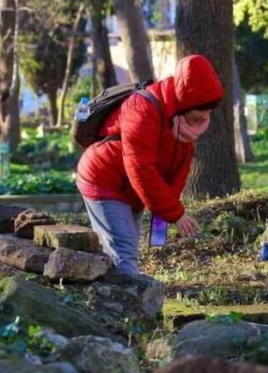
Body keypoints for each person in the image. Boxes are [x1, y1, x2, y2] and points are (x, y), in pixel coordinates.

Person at [76, 54, 224, 275]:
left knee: (124, 252)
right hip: (104, 180)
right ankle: (127, 308)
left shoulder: (184, 125)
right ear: (185, 103)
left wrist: (163, 219)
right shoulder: (143, 109)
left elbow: (177, 173)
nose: (204, 119)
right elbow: (141, 169)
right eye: (200, 113)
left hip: (130, 190)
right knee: (123, 254)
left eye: (208, 112)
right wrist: (175, 213)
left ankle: (108, 296)